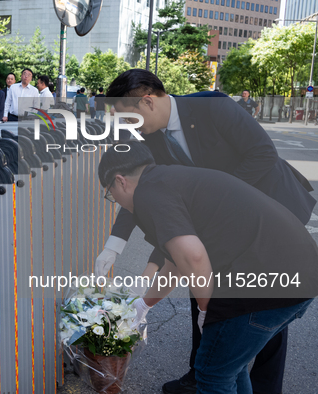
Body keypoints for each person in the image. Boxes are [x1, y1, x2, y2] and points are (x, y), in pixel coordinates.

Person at [96, 68, 316, 394]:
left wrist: (216, 196)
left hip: (270, 211)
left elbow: (263, 154)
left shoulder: (213, 106)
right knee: (216, 316)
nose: (130, 128)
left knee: (250, 327)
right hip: (234, 232)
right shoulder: (151, 142)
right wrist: (116, 248)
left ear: (146, 102)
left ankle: (243, 379)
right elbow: (144, 201)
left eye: (130, 119)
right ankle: (210, 366)